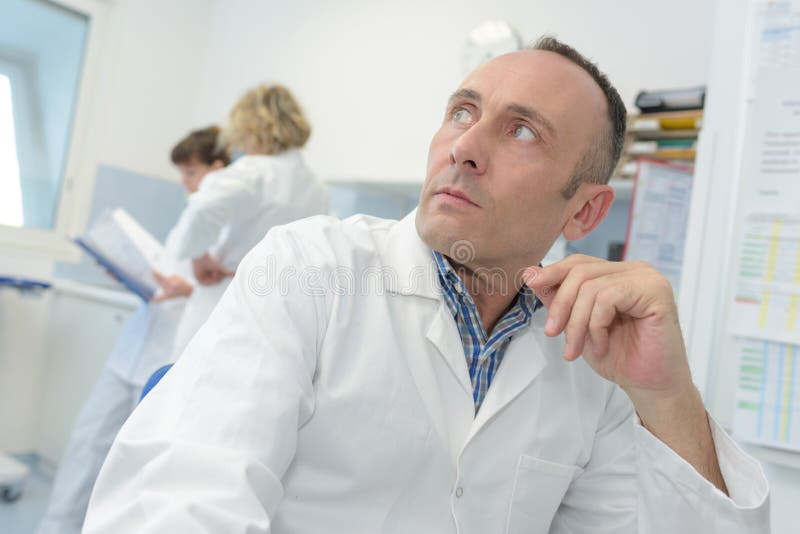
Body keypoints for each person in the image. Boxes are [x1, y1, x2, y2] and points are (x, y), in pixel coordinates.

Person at [83, 37, 770, 533]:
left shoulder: (592, 361)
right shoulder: (311, 270)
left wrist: (667, 393)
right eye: (463, 112)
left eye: (522, 131)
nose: (464, 147)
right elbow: (177, 502)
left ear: (586, 210)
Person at [37, 126, 228, 534]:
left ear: (219, 168)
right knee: (84, 449)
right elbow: (166, 271)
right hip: (131, 351)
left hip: (166, 363)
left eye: (192, 172)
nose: (185, 183)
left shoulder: (233, 231)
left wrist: (186, 290)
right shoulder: (189, 220)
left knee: (132, 471)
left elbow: (227, 299)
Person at [163, 83, 329, 359]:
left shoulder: (253, 171)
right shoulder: (315, 188)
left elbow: (202, 206)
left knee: (189, 389)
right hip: (276, 314)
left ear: (249, 127)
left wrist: (198, 255)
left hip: (221, 301)